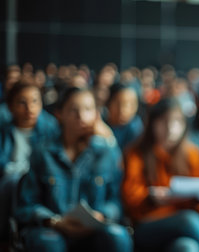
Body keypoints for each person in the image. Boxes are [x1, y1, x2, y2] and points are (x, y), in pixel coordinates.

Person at [14, 87, 133, 252]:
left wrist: (102, 215)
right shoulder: (43, 152)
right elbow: (26, 206)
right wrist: (55, 221)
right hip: (53, 228)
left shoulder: (106, 151)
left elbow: (115, 201)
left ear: (97, 114)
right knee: (50, 243)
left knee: (117, 237)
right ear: (59, 114)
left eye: (88, 109)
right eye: (74, 110)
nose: (82, 117)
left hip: (94, 230)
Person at [121, 98, 199, 252]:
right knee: (187, 219)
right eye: (163, 121)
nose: (170, 128)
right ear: (153, 123)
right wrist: (150, 197)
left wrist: (193, 198)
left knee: (188, 248)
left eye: (177, 122)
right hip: (147, 225)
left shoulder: (192, 153)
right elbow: (130, 199)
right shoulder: (136, 153)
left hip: (184, 228)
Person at [0, 82, 60, 242]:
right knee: (11, 182)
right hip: (11, 177)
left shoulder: (50, 127)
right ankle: (8, 234)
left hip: (42, 175)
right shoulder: (4, 130)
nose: (30, 108)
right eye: (22, 102)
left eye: (35, 101)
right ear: (10, 107)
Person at [105, 83, 143, 151]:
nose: (123, 110)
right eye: (118, 103)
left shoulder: (136, 129)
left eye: (131, 104)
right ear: (108, 103)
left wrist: (109, 138)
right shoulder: (100, 123)